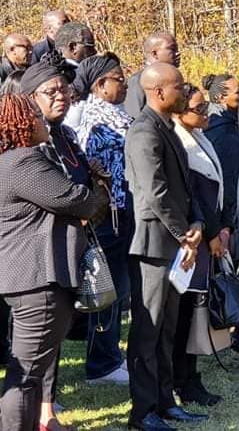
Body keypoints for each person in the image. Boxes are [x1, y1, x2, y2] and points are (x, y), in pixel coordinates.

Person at [0, 94, 106, 431]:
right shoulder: (25, 163)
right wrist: (96, 194)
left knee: (28, 371)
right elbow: (76, 200)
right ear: (21, 122)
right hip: (38, 278)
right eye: (34, 114)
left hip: (26, 278)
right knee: (27, 375)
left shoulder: (10, 162)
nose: (41, 119)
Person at [124, 62, 206, 430]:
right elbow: (154, 192)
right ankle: (143, 412)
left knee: (167, 328)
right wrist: (184, 234)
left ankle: (164, 399)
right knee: (148, 329)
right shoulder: (144, 132)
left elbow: (184, 186)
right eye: (179, 87)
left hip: (174, 240)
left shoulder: (168, 128)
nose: (185, 93)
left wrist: (198, 223)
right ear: (158, 92)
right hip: (155, 244)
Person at [21, 50, 100, 429]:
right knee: (35, 342)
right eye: (51, 92)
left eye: (65, 91)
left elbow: (82, 184)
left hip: (72, 246)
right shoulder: (24, 144)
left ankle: (47, 406)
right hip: (37, 253)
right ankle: (38, 412)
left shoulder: (66, 135)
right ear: (31, 98)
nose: (61, 97)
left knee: (56, 335)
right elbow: (63, 195)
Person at [74, 53, 133, 386]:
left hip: (121, 213)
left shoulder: (117, 114)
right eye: (118, 78)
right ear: (100, 85)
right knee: (107, 290)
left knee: (119, 289)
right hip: (107, 215)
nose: (124, 83)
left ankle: (110, 354)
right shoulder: (96, 120)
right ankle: (102, 364)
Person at [172, 85, 225, 407]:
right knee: (184, 313)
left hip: (211, 236)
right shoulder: (181, 144)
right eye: (198, 108)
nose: (205, 114)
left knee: (196, 310)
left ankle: (190, 375)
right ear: (180, 112)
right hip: (193, 239)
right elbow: (195, 198)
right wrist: (212, 232)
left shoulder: (201, 139)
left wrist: (224, 228)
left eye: (206, 107)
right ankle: (182, 378)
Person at [202, 73, 239, 237]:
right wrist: (227, 223)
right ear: (220, 98)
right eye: (238, 92)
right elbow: (228, 178)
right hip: (225, 216)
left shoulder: (229, 123)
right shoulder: (223, 133)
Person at [124, 32, 181, 119]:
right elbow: (134, 119)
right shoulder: (137, 81)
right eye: (172, 49)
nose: (178, 53)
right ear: (155, 53)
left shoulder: (172, 79)